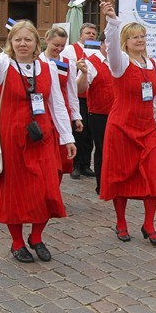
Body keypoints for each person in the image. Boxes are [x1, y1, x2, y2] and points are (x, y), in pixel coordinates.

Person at [0, 0, 76, 263]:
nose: (23, 44)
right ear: (11, 42)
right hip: (12, 139)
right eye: (18, 40)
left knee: (47, 190)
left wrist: (67, 137)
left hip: (43, 137)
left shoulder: (47, 67)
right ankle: (17, 242)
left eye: (28, 39)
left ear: (37, 43)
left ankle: (36, 237)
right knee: (15, 193)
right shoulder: (2, 65)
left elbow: (57, 104)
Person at [100, 0, 156, 246]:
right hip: (121, 127)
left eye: (142, 36)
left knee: (152, 175)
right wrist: (112, 21)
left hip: (146, 128)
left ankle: (149, 224)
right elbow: (111, 46)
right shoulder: (119, 64)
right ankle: (121, 222)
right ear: (126, 42)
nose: (139, 40)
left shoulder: (151, 63)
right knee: (120, 177)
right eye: (134, 37)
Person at [41, 26, 82, 180]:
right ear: (47, 40)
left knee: (60, 155)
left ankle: (54, 189)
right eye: (55, 45)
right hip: (44, 112)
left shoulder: (68, 63)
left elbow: (72, 92)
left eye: (62, 46)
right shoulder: (38, 61)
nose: (58, 49)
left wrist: (76, 116)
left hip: (62, 112)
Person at [75, 33, 114, 195]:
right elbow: (80, 89)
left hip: (118, 113)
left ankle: (114, 181)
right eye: (109, 43)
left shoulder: (120, 61)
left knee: (116, 150)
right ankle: (102, 184)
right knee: (102, 149)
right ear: (102, 44)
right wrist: (83, 73)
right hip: (99, 114)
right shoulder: (91, 62)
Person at [62, 24, 97, 179]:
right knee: (79, 133)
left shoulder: (96, 50)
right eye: (88, 33)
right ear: (80, 35)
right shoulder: (71, 49)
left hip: (93, 96)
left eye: (93, 33)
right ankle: (75, 165)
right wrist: (76, 65)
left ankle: (85, 164)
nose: (91, 35)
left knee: (90, 133)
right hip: (78, 97)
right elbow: (62, 66)